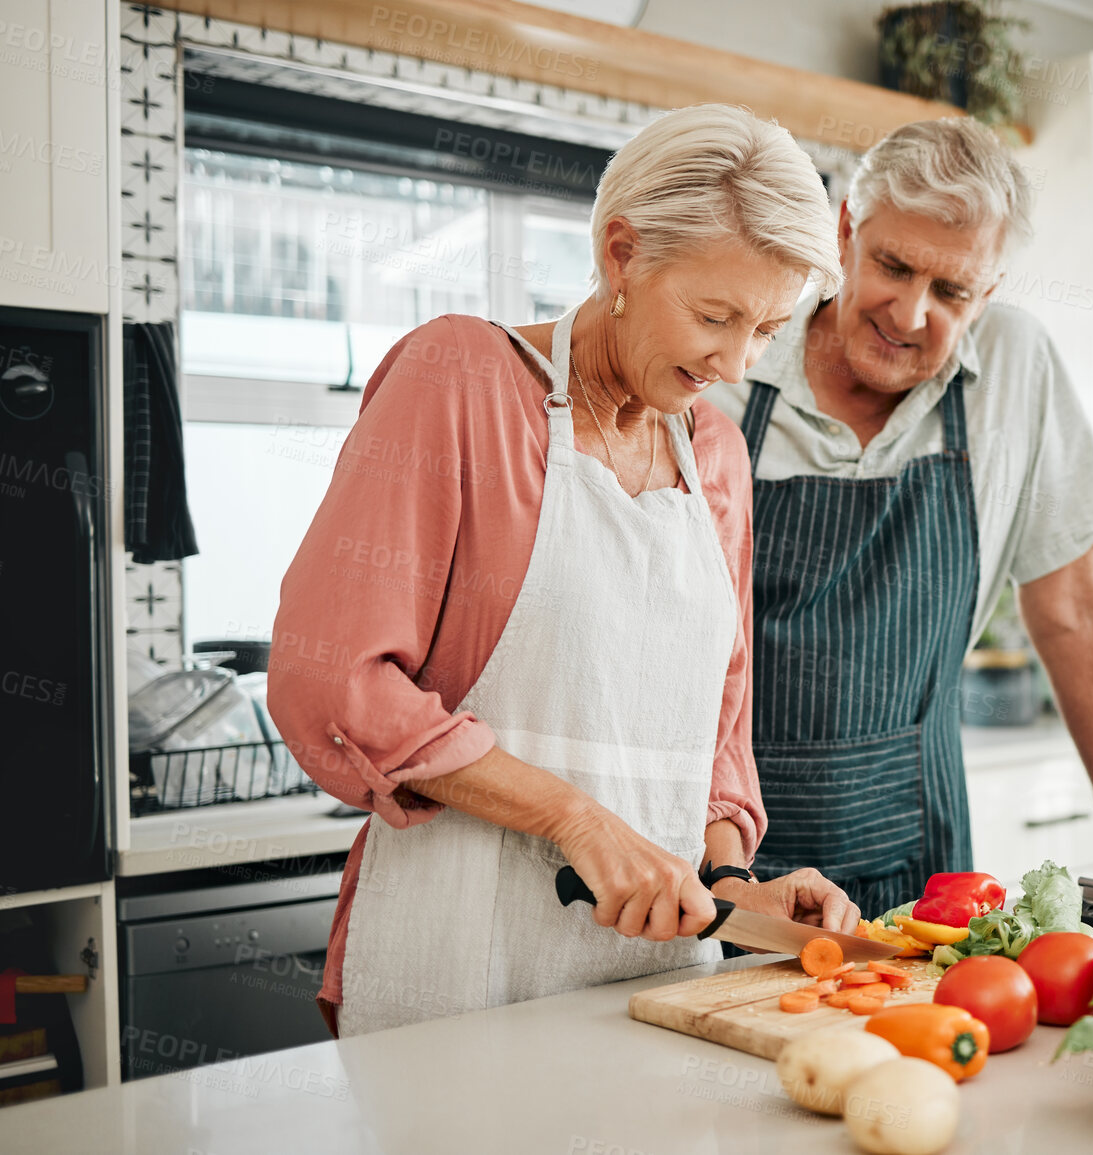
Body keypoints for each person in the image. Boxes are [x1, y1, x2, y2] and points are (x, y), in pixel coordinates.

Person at [269, 105, 856, 1038]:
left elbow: (717, 725)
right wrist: (576, 821)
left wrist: (739, 884)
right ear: (621, 254)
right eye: (713, 316)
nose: (735, 361)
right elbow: (332, 680)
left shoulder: (715, 453)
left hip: (657, 973)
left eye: (767, 329)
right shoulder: (457, 379)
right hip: (460, 957)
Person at [708, 118, 1093, 914]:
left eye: (952, 290)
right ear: (846, 229)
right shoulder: (730, 363)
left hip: (918, 842)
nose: (910, 311)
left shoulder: (1015, 368)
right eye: (892, 264)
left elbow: (1069, 603)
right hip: (726, 841)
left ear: (988, 292)